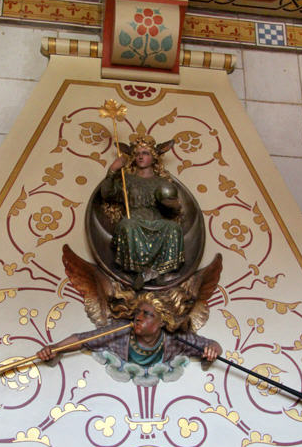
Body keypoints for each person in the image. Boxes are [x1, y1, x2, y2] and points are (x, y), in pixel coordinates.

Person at [37, 295, 222, 386]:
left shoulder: (175, 339)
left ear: (161, 322)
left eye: (147, 314)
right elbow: (83, 339)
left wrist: (213, 350)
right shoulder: (120, 332)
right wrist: (56, 348)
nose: (138, 317)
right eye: (137, 313)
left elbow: (212, 345)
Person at [100, 137, 184, 289]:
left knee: (173, 228)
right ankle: (139, 271)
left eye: (145, 153)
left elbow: (175, 207)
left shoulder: (162, 183)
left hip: (156, 221)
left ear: (154, 157)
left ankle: (157, 271)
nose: (140, 156)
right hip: (135, 220)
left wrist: (171, 204)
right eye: (137, 153)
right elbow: (106, 193)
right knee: (128, 225)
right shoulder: (127, 180)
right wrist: (112, 170)